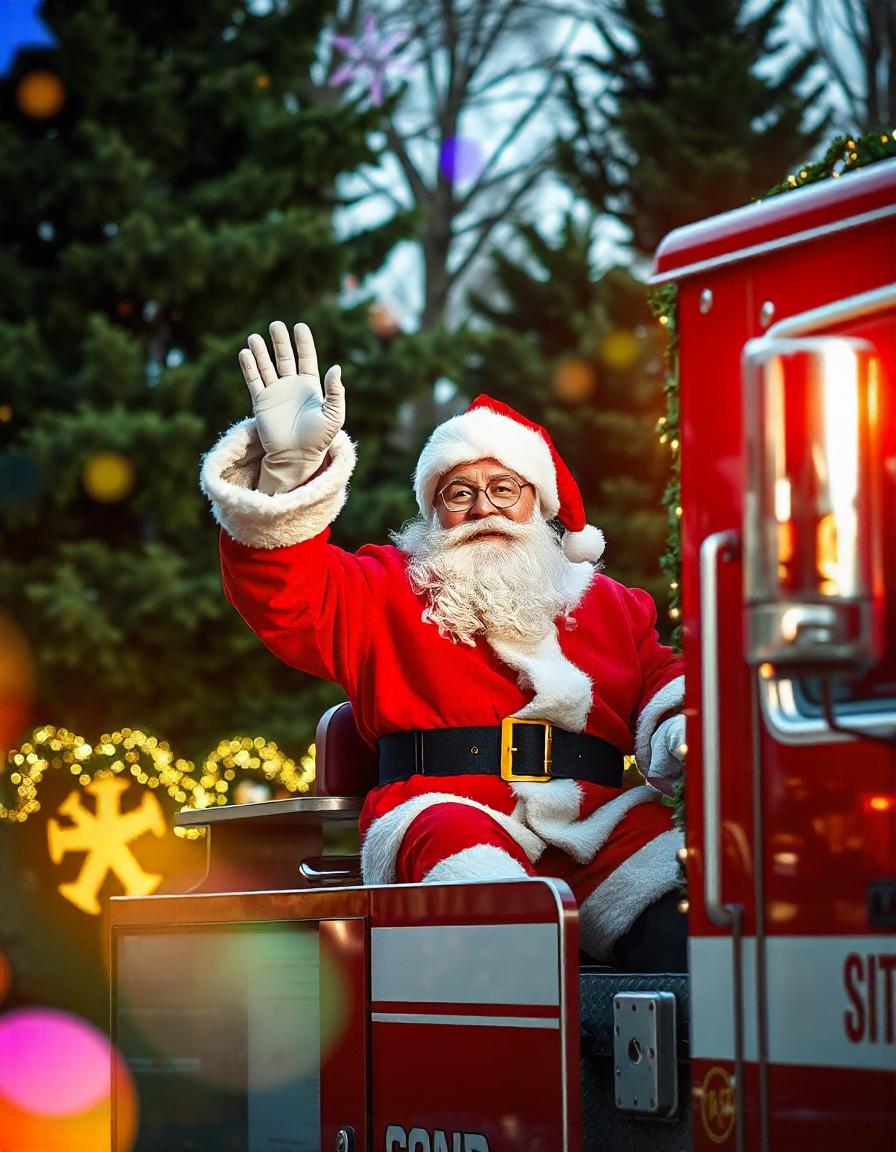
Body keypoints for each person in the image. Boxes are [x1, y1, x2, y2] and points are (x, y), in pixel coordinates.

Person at [200, 321, 687, 970]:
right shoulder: (383, 589)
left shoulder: (613, 606)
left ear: (538, 506)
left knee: (689, 903)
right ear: (435, 514)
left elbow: (664, 677)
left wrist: (682, 723)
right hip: (445, 812)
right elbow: (283, 594)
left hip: (598, 827)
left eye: (503, 489)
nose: (482, 506)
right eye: (459, 492)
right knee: (486, 892)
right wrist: (286, 483)